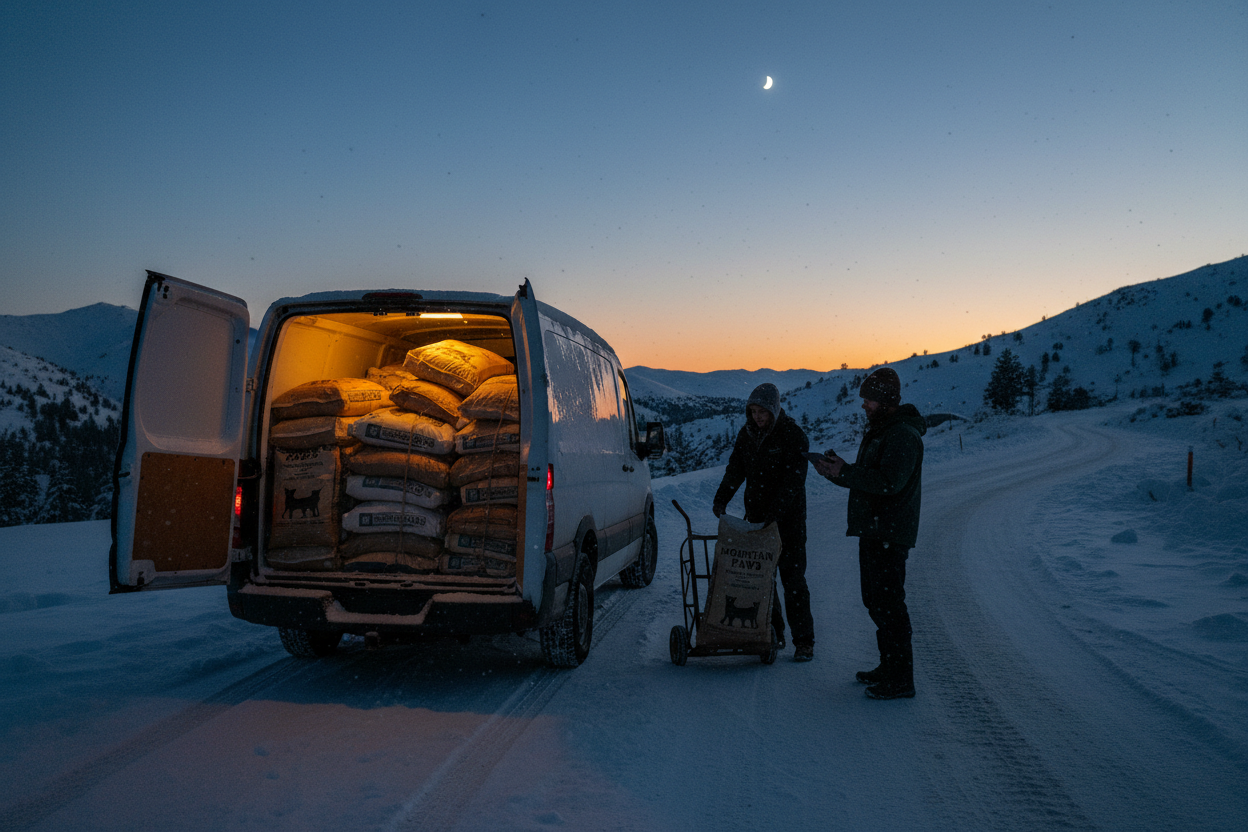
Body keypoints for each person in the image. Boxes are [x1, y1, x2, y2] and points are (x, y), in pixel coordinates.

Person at [811, 367, 925, 699]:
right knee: (875, 602)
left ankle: (901, 679)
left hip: (889, 530)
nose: (864, 405)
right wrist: (839, 472)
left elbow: (889, 482)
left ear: (886, 401)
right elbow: (871, 476)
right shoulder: (882, 430)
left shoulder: (902, 435)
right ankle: (889, 666)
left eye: (869, 400)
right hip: (875, 529)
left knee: (889, 605)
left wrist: (846, 472)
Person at [713, 383, 815, 661]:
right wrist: (721, 498)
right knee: (762, 581)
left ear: (775, 409)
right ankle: (773, 633)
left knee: (793, 581)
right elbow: (735, 470)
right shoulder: (747, 436)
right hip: (757, 521)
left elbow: (793, 482)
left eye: (763, 411)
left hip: (789, 523)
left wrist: (776, 512)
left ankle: (804, 641)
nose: (758, 417)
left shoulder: (793, 436)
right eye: (753, 411)